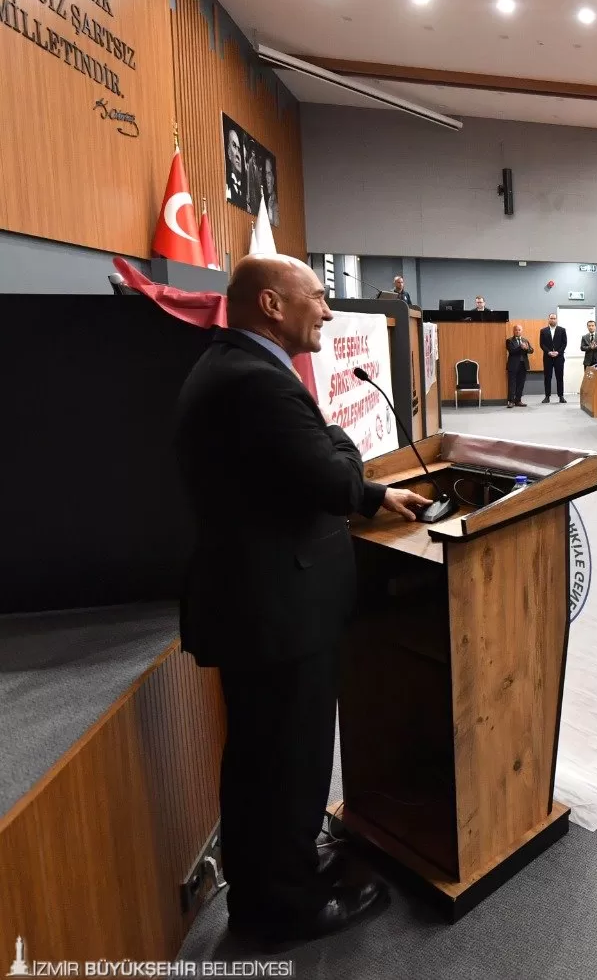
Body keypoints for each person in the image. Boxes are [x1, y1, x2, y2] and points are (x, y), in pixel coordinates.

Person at [174, 256, 431, 943]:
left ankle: (270, 874)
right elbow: (328, 474)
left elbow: (293, 473)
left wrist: (371, 488)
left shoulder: (234, 367)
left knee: (265, 757)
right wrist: (347, 452)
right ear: (271, 304)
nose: (325, 310)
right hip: (276, 610)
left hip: (262, 601)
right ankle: (285, 906)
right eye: (316, 298)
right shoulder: (256, 382)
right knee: (286, 759)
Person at [539, 312, 567, 403]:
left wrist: (558, 352)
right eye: (551, 318)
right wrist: (549, 352)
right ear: (548, 319)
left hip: (559, 357)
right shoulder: (543, 331)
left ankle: (561, 396)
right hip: (548, 357)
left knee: (560, 377)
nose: (553, 320)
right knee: (547, 377)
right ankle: (547, 396)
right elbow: (542, 344)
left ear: (557, 319)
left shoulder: (562, 330)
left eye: (554, 318)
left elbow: (564, 343)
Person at [506, 323, 532, 407]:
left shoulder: (525, 340)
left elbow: (531, 350)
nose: (517, 331)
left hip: (523, 365)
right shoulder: (509, 340)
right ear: (513, 331)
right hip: (513, 365)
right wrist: (520, 347)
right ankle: (511, 401)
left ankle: (518, 400)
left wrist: (527, 348)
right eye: (516, 330)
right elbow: (512, 351)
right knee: (512, 383)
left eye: (519, 330)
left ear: (522, 331)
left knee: (521, 383)